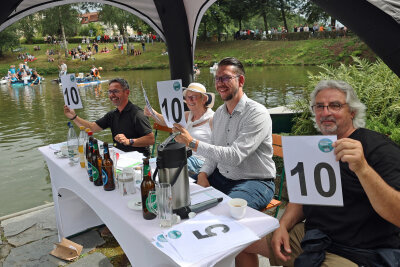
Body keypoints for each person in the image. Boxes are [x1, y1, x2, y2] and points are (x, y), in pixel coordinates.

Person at [236, 80, 400, 267]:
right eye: (319, 106)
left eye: (335, 105)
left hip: (357, 253)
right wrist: (283, 225)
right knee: (241, 241)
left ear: (352, 112)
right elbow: (301, 198)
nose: (326, 112)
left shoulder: (378, 148)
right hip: (311, 236)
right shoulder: (314, 147)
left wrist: (363, 169)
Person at [173, 57, 276, 210]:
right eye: (217, 78)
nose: (220, 83)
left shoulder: (257, 113)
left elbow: (234, 156)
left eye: (226, 78)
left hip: (255, 182)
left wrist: (191, 142)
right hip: (221, 177)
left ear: (241, 81)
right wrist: (202, 174)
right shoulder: (219, 113)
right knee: (178, 195)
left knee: (226, 212)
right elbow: (214, 152)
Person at [63, 78, 155, 155]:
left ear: (127, 92)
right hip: (119, 157)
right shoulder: (112, 115)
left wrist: (129, 141)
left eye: (115, 91)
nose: (112, 95)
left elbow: (151, 139)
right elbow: (91, 128)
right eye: (110, 92)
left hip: (138, 161)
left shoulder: (137, 114)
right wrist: (74, 116)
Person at [144, 82, 215, 178]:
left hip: (203, 163)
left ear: (204, 99)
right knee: (159, 161)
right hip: (185, 158)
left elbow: (219, 149)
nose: (189, 100)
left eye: (193, 97)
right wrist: (152, 112)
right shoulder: (188, 115)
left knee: (167, 164)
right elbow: (165, 121)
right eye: (187, 97)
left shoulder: (213, 119)